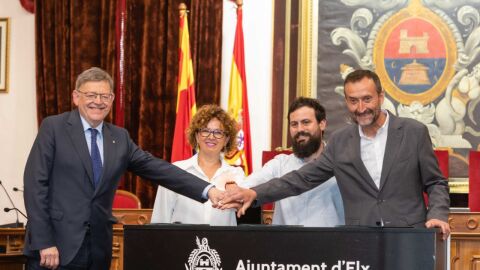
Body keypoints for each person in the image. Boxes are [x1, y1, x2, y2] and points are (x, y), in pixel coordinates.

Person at [23, 67, 224, 270]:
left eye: (105, 96)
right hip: (54, 248)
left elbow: (159, 169)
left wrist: (208, 189)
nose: (98, 101)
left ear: (111, 99)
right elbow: (35, 186)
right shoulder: (53, 128)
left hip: (98, 250)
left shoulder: (119, 138)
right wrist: (44, 241)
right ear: (76, 97)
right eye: (91, 95)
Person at [221, 69, 451, 239]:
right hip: (360, 239)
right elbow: (301, 178)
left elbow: (436, 182)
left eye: (367, 99)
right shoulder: (341, 141)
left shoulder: (413, 132)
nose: (360, 108)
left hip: (409, 237)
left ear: (381, 97)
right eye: (353, 101)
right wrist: (254, 193)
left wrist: (438, 214)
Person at [241, 97, 344, 226]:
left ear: (322, 124)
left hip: (331, 243)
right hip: (285, 244)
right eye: (294, 124)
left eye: (306, 122)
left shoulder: (341, 162)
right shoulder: (279, 164)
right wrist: (233, 189)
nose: (299, 129)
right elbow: (246, 186)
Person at [151, 104, 244, 225]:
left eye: (218, 132)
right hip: (182, 243)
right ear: (196, 135)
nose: (211, 137)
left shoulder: (237, 175)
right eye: (205, 131)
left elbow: (244, 218)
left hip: (223, 243)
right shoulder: (175, 171)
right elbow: (160, 219)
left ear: (226, 139)